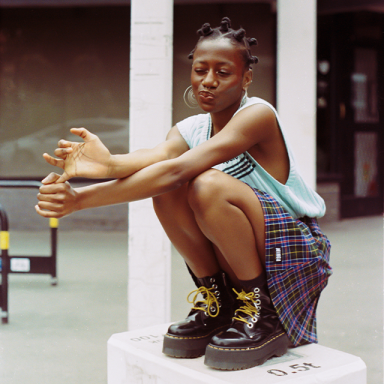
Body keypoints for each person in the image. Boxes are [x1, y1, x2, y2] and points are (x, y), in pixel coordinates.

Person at [35, 17, 332, 371]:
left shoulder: (258, 115)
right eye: (200, 70)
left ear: (246, 78)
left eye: (223, 73)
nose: (208, 81)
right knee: (168, 189)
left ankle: (262, 313)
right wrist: (108, 163)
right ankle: (219, 302)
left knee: (204, 184)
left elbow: (178, 168)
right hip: (247, 251)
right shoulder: (191, 128)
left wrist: (80, 199)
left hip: (296, 250)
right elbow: (157, 163)